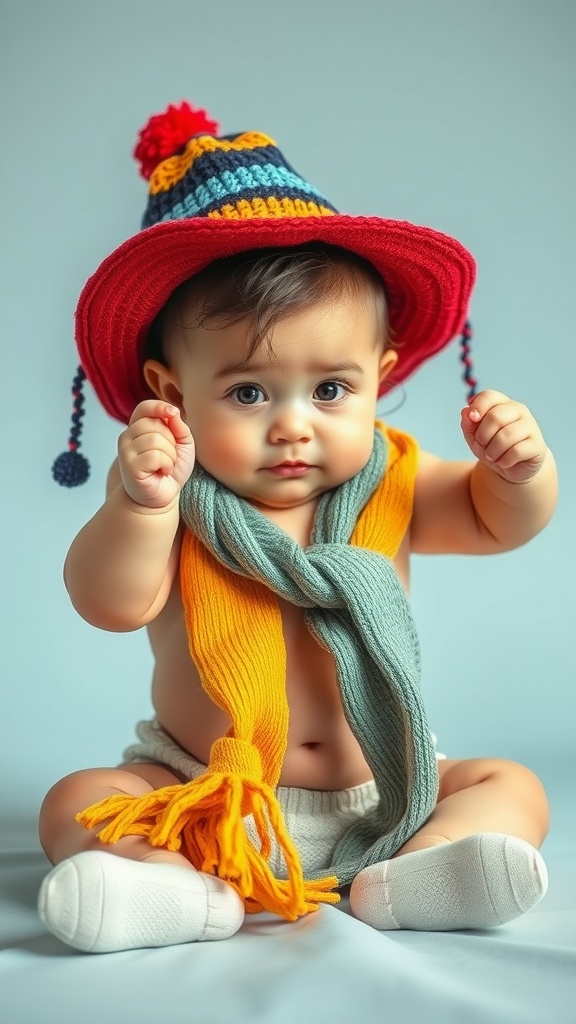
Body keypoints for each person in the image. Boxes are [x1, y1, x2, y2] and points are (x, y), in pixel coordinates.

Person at [39, 101, 557, 954]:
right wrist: (138, 508)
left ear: (379, 377)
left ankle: (422, 870)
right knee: (78, 797)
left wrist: (521, 474)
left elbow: (493, 521)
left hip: (384, 787)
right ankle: (165, 886)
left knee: (511, 784)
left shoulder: (391, 475)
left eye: (330, 390)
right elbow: (110, 601)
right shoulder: (170, 492)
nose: (294, 426)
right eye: (249, 393)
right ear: (171, 396)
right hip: (207, 792)